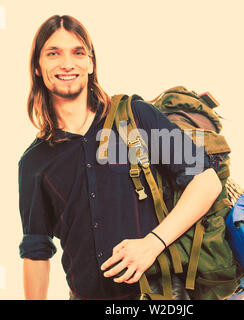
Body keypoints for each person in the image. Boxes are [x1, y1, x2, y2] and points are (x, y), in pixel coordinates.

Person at [18, 15, 222, 300]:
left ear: (90, 63)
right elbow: (36, 251)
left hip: (161, 296)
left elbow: (207, 181)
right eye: (54, 53)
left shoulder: (135, 116)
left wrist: (152, 244)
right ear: (38, 67)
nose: (67, 63)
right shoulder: (34, 163)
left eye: (78, 52)